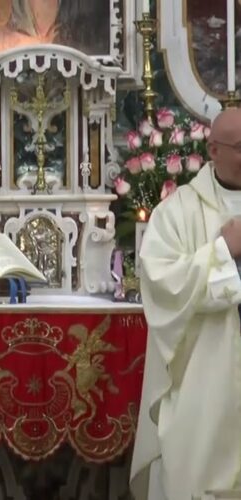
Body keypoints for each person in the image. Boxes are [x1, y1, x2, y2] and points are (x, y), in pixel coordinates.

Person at [131, 108, 241, 500]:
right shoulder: (177, 212)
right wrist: (224, 253)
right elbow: (162, 285)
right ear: (213, 150)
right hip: (203, 381)